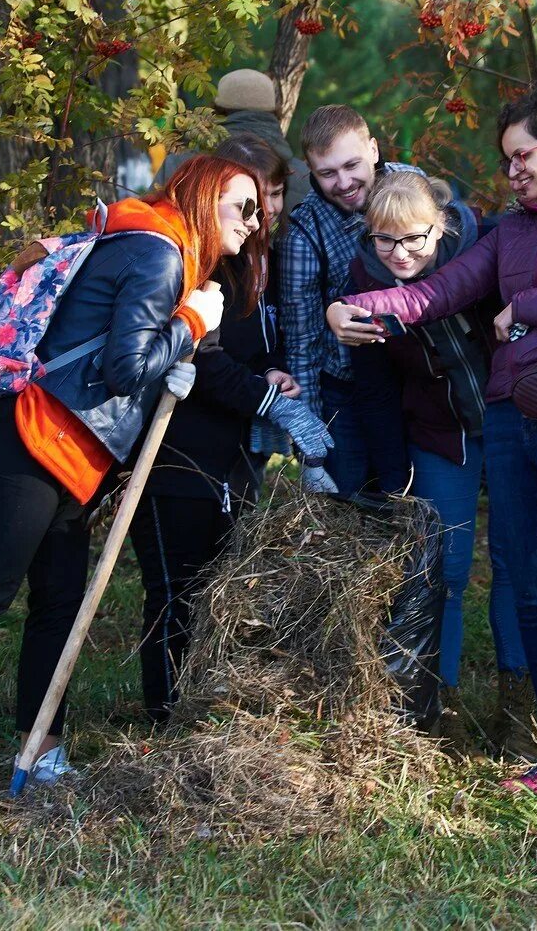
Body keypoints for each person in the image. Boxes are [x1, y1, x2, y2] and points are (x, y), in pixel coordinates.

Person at [327, 83, 537, 789]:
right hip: (508, 419)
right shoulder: (508, 231)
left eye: (522, 156)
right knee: (528, 586)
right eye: (506, 159)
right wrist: (349, 305)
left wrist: (527, 306)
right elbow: (432, 294)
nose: (511, 171)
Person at [0, 155, 246, 787]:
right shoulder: (158, 253)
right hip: (35, 435)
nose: (254, 223)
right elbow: (126, 368)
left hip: (70, 446)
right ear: (205, 199)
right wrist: (192, 325)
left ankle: (41, 751)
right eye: (243, 206)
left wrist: (178, 339)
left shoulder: (153, 243)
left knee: (60, 600)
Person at [127, 135, 335, 725]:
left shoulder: (248, 260)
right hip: (174, 449)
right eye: (247, 200)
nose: (259, 212)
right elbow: (205, 359)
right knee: (174, 588)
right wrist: (272, 401)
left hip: (231, 454)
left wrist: (267, 375)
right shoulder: (188, 257)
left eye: (269, 195)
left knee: (215, 586)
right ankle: (164, 715)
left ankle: (199, 709)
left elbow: (236, 352)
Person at [344, 170, 535, 756]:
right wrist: (394, 471)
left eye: (415, 240)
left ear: (441, 225)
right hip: (436, 433)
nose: (400, 255)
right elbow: (372, 386)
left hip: (510, 421)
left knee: (516, 560)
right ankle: (434, 705)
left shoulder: (486, 246)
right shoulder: (362, 281)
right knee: (441, 570)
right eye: (386, 241)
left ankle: (520, 708)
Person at [278, 105, 428, 494]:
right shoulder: (304, 232)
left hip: (422, 379)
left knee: (418, 500)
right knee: (353, 504)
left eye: (352, 165)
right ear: (311, 170)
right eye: (327, 173)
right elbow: (302, 341)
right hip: (346, 390)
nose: (344, 182)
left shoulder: (414, 187)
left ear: (374, 150)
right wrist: (309, 439)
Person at [152, 68, 312, 209]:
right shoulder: (304, 176)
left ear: (216, 111)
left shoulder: (181, 166)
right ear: (276, 113)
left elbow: (150, 224)